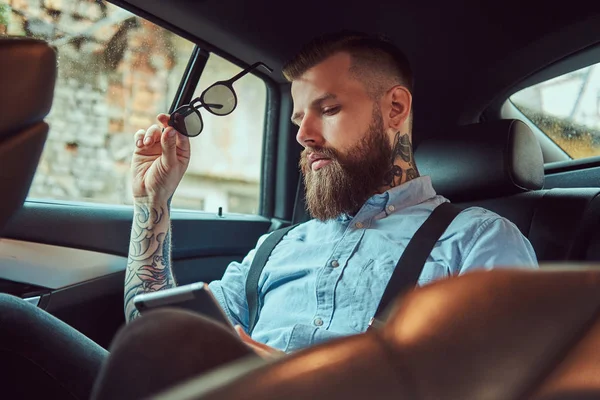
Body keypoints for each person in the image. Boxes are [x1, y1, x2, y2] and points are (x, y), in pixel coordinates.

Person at [0, 31, 537, 400]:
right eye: (299, 117)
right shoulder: (278, 247)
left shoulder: (479, 239)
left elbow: (507, 384)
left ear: (395, 109)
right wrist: (153, 204)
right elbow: (153, 333)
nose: (302, 135)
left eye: (328, 110)